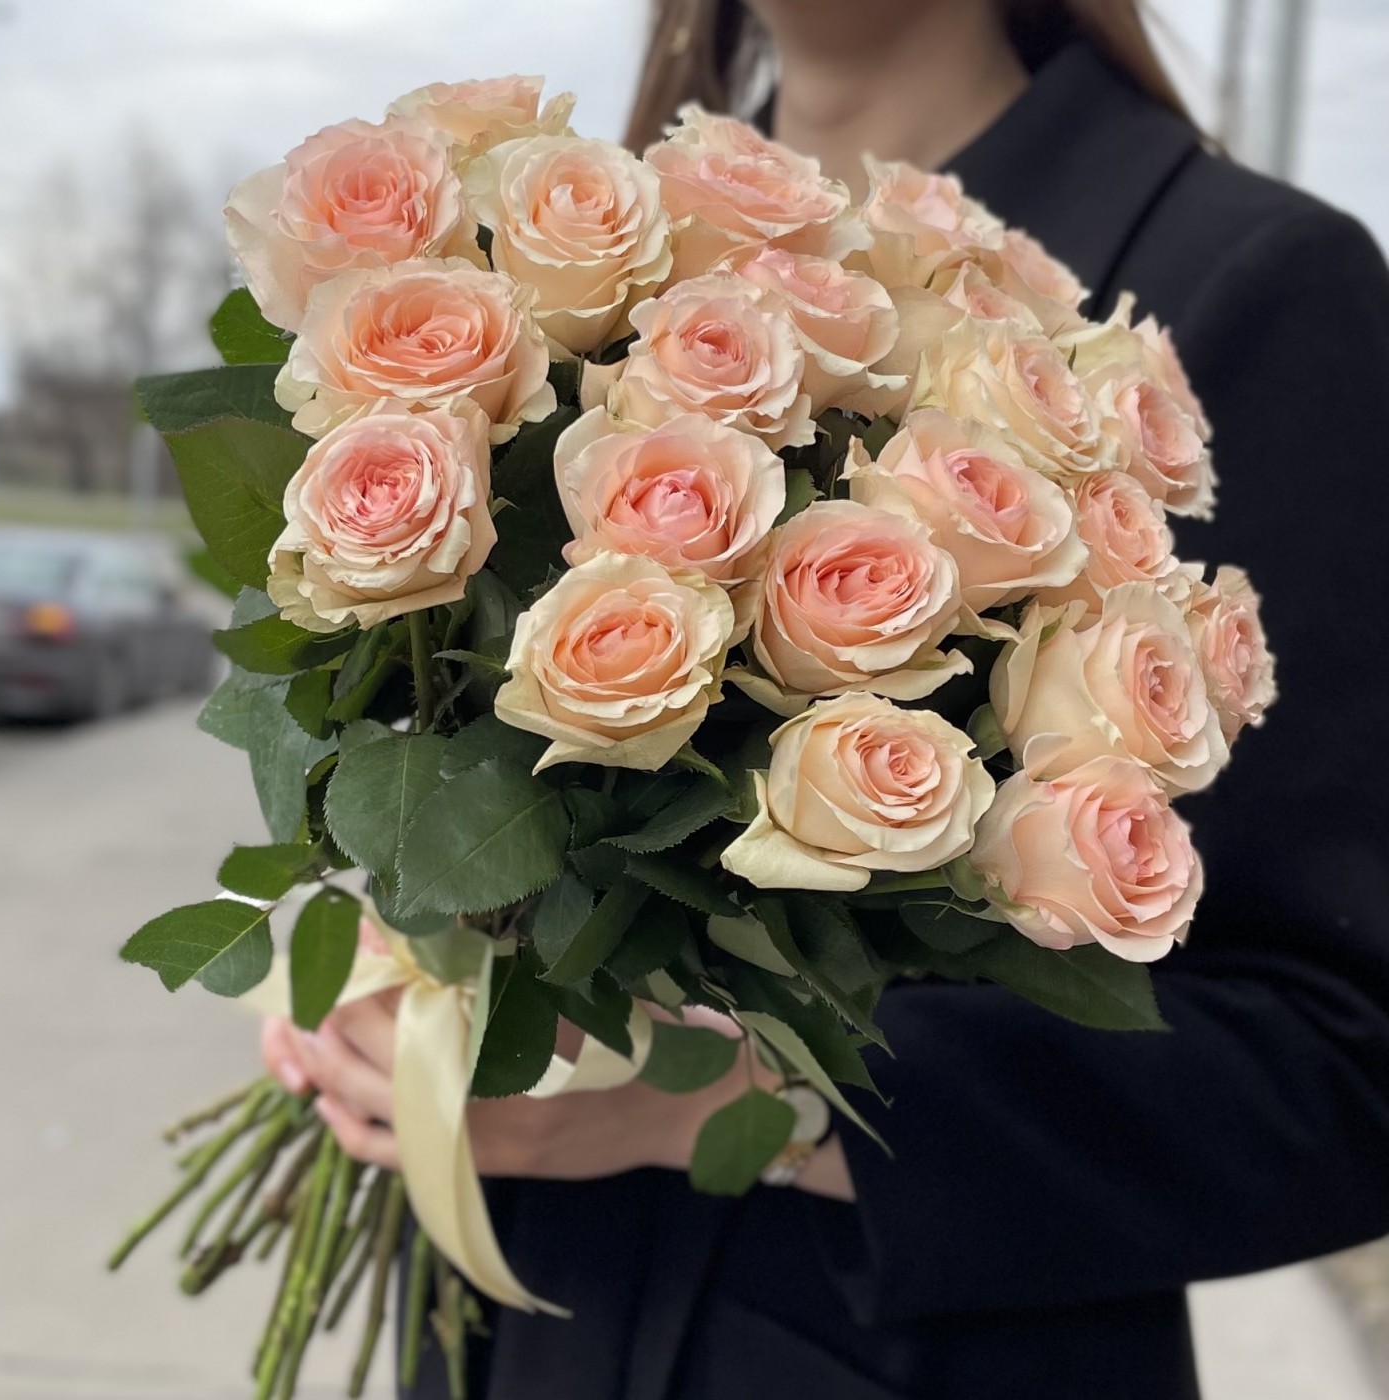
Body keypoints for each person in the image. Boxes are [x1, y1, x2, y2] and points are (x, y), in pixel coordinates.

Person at [262, 2, 1389, 1396]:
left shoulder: (1248, 275)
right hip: (512, 1320)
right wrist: (403, 970)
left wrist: (744, 1101)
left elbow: (1344, 1065)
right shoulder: (589, 235)